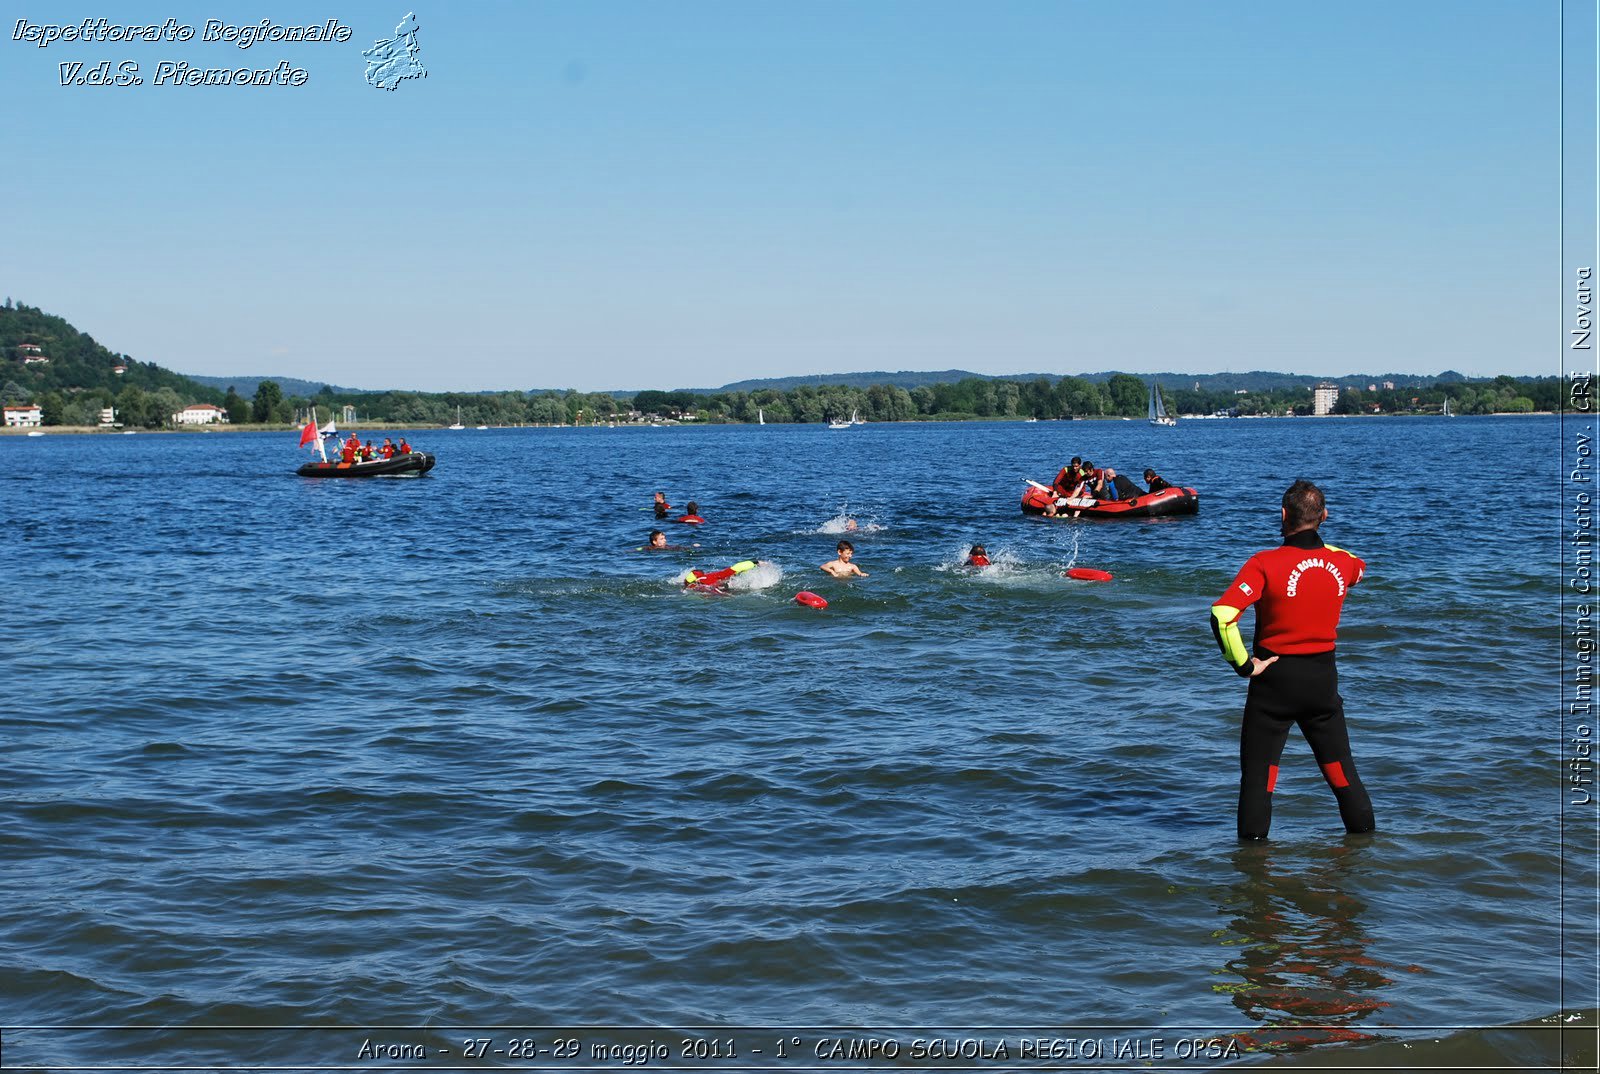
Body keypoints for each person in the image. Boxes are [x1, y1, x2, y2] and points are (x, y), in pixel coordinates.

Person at [1210, 480, 1375, 841]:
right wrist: (1319, 545)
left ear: (1283, 515)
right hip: (1322, 683)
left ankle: (1254, 876)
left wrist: (1245, 666)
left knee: (1260, 778)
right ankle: (1365, 859)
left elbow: (1223, 615)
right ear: (1324, 517)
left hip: (1274, 682)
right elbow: (1358, 565)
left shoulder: (1264, 563)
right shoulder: (1341, 564)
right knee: (1342, 774)